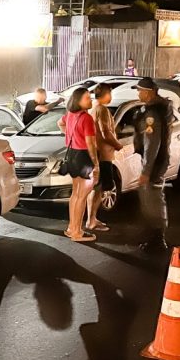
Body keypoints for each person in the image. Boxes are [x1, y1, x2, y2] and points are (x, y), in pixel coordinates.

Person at [133, 77, 173, 253]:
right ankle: (153, 236)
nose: (138, 93)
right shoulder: (159, 109)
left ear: (149, 93)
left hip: (155, 164)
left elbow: (152, 144)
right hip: (158, 162)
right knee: (151, 200)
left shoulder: (152, 115)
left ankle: (158, 239)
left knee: (153, 200)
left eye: (140, 90)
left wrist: (146, 170)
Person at [58, 87, 100, 243]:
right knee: (82, 196)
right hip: (84, 157)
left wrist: (70, 136)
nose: (90, 100)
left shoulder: (70, 115)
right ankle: (77, 232)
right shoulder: (87, 118)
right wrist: (96, 164)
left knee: (75, 194)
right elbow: (91, 143)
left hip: (72, 155)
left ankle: (71, 228)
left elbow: (59, 123)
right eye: (87, 98)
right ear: (78, 101)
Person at [86, 83, 123, 233]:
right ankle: (91, 220)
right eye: (110, 94)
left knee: (96, 187)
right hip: (103, 154)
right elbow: (105, 132)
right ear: (106, 94)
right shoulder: (102, 109)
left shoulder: (92, 109)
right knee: (100, 187)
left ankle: (91, 219)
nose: (111, 97)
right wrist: (118, 145)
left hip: (95, 152)